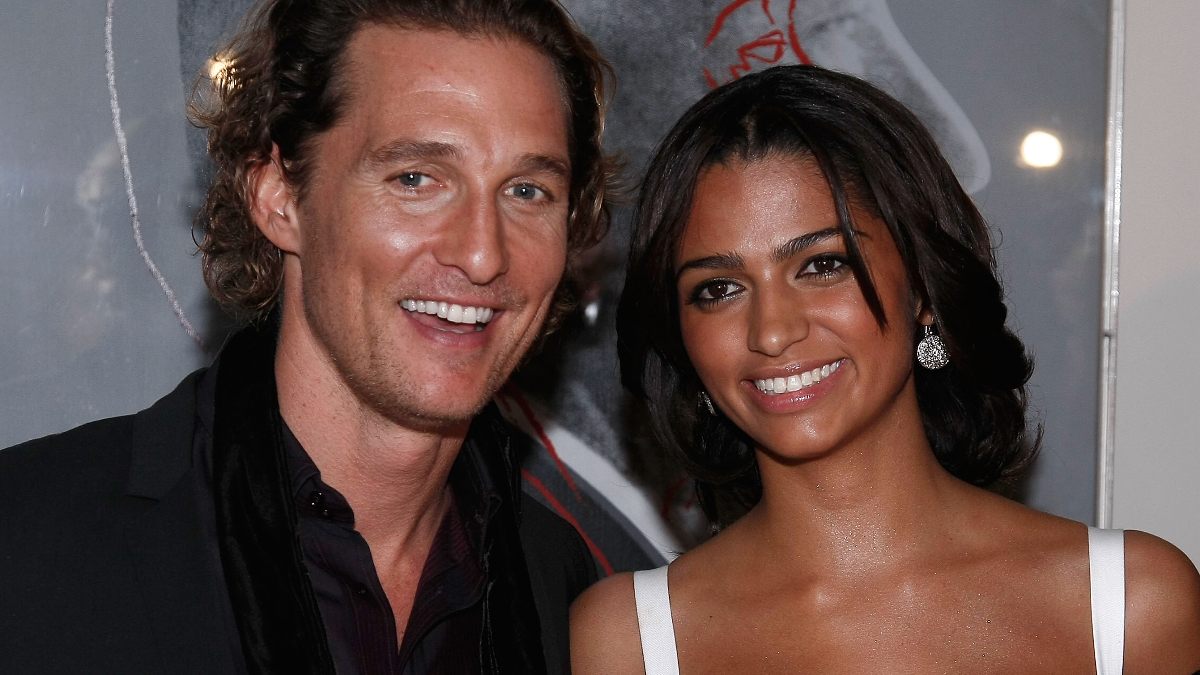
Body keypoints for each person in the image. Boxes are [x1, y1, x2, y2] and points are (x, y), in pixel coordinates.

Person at [0, 0, 615, 672]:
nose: (482, 254)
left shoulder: (563, 591)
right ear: (279, 197)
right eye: (415, 179)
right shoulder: (28, 536)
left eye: (526, 191)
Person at [571, 65, 1200, 672]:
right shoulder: (630, 641)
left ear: (922, 287)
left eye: (822, 265)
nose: (772, 332)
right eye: (718, 289)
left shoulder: (1129, 606)